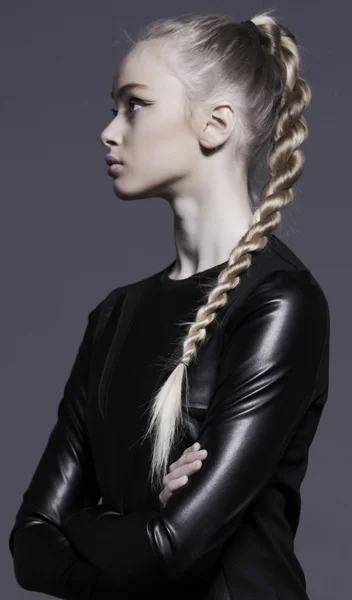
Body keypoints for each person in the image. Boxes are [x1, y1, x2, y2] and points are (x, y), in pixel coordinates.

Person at [9, 10, 330, 600]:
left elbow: (174, 548)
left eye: (135, 105)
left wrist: (81, 522)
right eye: (113, 107)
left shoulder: (279, 303)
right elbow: (28, 548)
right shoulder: (114, 315)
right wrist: (136, 530)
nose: (110, 131)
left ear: (215, 125)